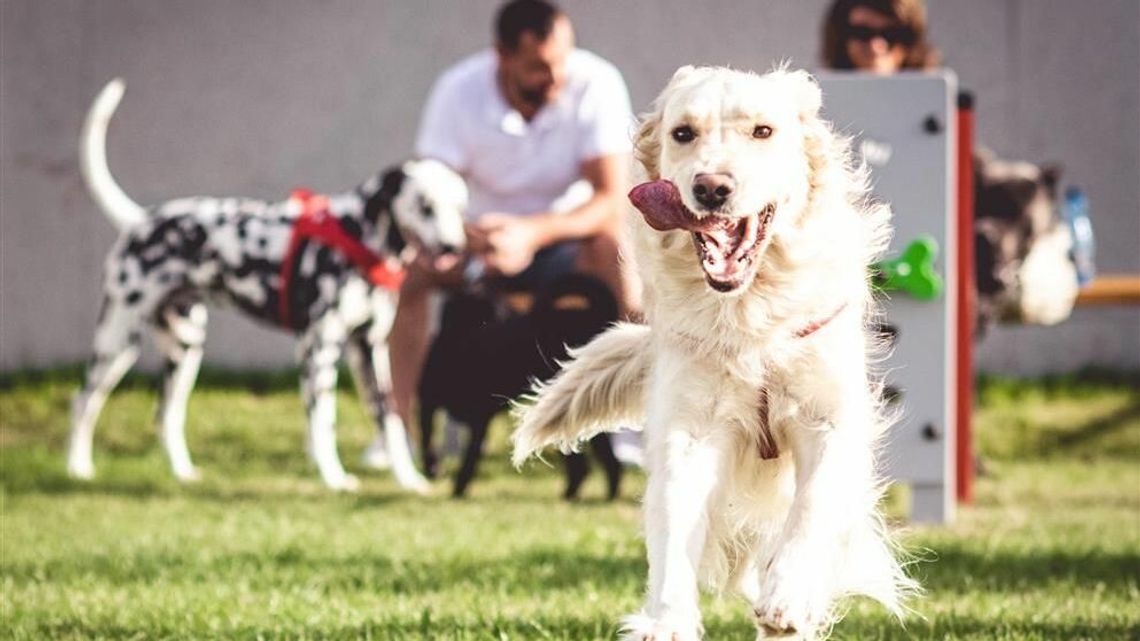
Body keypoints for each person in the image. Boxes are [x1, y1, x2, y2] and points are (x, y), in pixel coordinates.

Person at [388, 0, 638, 436]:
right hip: (479, 244)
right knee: (411, 273)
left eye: (563, 60)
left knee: (617, 253)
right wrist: (469, 240)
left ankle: (630, 429)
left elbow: (610, 199)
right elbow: (427, 194)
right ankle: (397, 429)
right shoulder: (458, 91)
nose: (557, 77)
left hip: (564, 243)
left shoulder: (597, 82)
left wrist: (530, 235)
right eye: (540, 66)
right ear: (502, 56)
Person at [821, 0, 939, 74]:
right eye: (862, 32)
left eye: (891, 34)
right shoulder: (816, 107)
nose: (876, 47)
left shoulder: (949, 106)